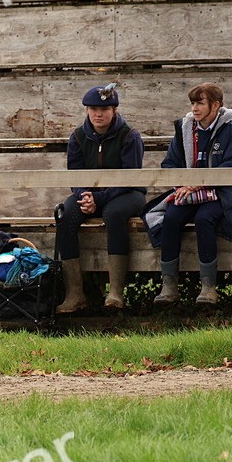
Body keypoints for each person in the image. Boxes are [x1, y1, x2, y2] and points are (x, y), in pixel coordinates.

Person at [146, 83, 232, 306]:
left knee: (205, 218)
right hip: (189, 192)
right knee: (171, 216)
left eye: (200, 103)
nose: (194, 108)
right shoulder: (185, 129)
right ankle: (169, 285)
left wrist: (200, 182)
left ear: (215, 105)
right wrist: (186, 182)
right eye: (193, 103)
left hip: (222, 192)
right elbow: (170, 164)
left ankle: (208, 287)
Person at [55, 83, 146, 313]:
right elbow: (75, 175)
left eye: (104, 109)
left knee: (114, 214)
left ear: (114, 110)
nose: (98, 114)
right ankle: (75, 294)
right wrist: (84, 195)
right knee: (65, 215)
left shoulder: (129, 136)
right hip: (91, 194)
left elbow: (129, 178)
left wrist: (99, 199)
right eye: (93, 108)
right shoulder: (77, 136)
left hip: (127, 193)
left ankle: (115, 292)